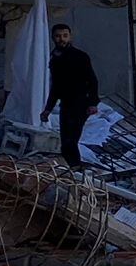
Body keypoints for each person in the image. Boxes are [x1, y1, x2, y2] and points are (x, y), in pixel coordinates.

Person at [41, 23, 99, 168]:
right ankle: (73, 168)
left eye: (65, 36)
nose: (62, 39)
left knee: (70, 140)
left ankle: (75, 169)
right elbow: (56, 86)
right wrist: (48, 108)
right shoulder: (55, 58)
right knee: (66, 141)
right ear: (53, 38)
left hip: (80, 103)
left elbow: (92, 80)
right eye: (58, 36)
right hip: (66, 104)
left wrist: (92, 102)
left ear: (70, 37)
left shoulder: (80, 56)